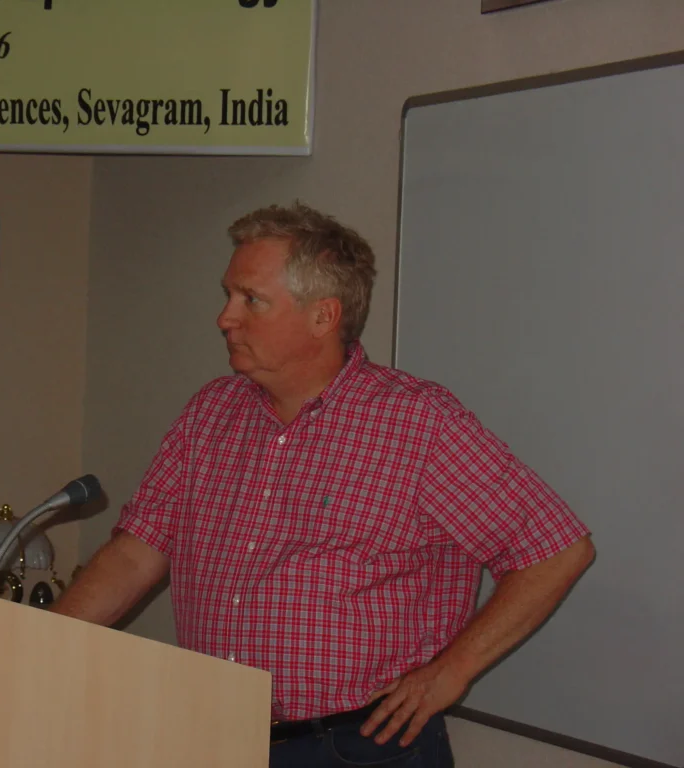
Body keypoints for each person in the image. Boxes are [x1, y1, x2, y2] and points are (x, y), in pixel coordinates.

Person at [50, 202, 595, 768]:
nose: (225, 317)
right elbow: (138, 553)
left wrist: (450, 672)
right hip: (218, 735)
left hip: (357, 747)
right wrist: (43, 644)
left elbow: (556, 551)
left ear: (322, 316)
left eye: (250, 299)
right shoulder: (209, 415)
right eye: (228, 294)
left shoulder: (415, 424)